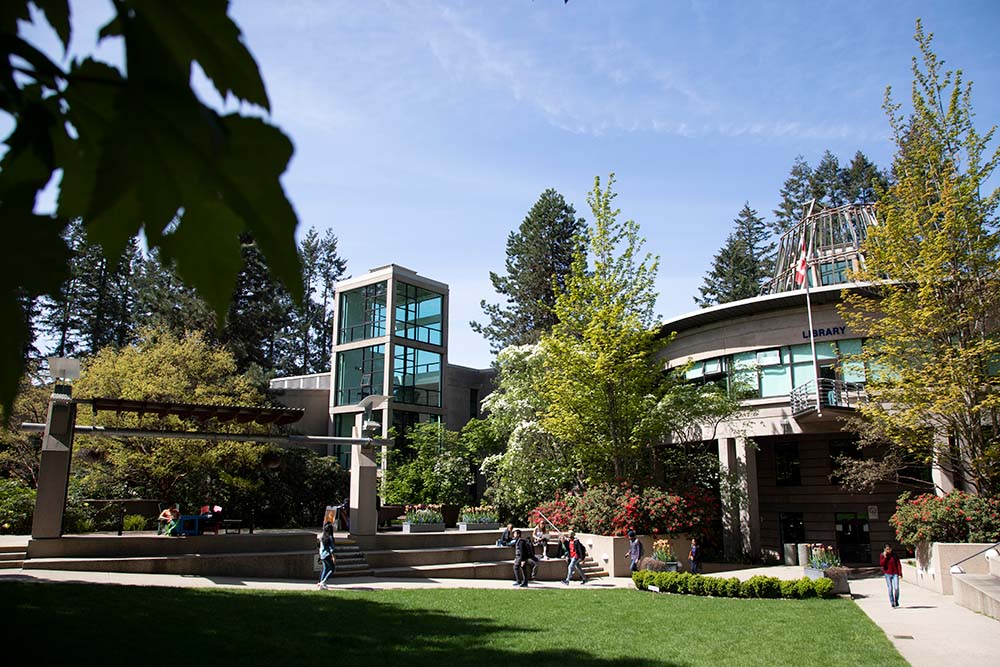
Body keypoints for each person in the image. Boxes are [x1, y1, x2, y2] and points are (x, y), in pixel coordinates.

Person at [880, 543, 902, 608]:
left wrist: (900, 573)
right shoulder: (882, 555)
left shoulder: (894, 555)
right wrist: (885, 557)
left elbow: (898, 564)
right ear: (884, 550)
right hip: (887, 574)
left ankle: (896, 600)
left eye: (889, 549)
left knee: (896, 588)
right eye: (887, 549)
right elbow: (882, 564)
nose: (888, 550)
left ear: (891, 549)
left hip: (895, 573)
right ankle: (892, 602)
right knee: (890, 588)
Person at [316, 521, 336, 589]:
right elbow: (331, 549)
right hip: (327, 555)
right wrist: (333, 557)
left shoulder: (321, 536)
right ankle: (323, 582)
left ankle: (321, 583)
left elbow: (319, 546)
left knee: (325, 568)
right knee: (332, 569)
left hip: (322, 555)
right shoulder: (330, 537)